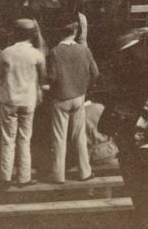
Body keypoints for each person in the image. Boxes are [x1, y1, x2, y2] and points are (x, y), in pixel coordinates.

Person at [47, 18, 99, 184]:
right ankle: (85, 172)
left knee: (59, 137)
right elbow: (95, 72)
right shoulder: (84, 50)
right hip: (79, 97)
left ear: (59, 33)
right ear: (75, 32)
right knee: (79, 136)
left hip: (61, 99)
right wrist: (85, 87)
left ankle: (58, 175)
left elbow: (52, 77)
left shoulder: (54, 51)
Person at [0, 19, 46, 189]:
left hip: (9, 99)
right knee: (25, 138)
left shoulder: (6, 53)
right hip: (28, 101)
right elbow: (43, 78)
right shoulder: (37, 55)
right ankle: (24, 177)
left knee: (8, 139)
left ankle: (5, 177)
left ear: (14, 33)